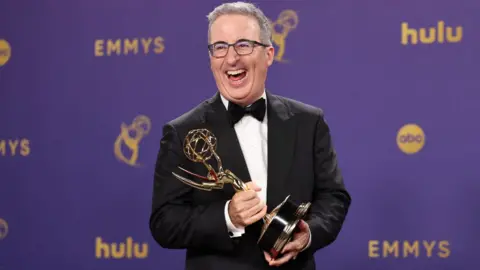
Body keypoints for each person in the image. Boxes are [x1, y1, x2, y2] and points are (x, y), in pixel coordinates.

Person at [149, 2, 351, 269]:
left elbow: (333, 197)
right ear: (211, 59)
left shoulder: (309, 122)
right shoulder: (182, 132)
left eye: (243, 45)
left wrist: (307, 234)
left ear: (269, 54)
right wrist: (227, 216)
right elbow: (164, 222)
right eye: (220, 47)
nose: (231, 58)